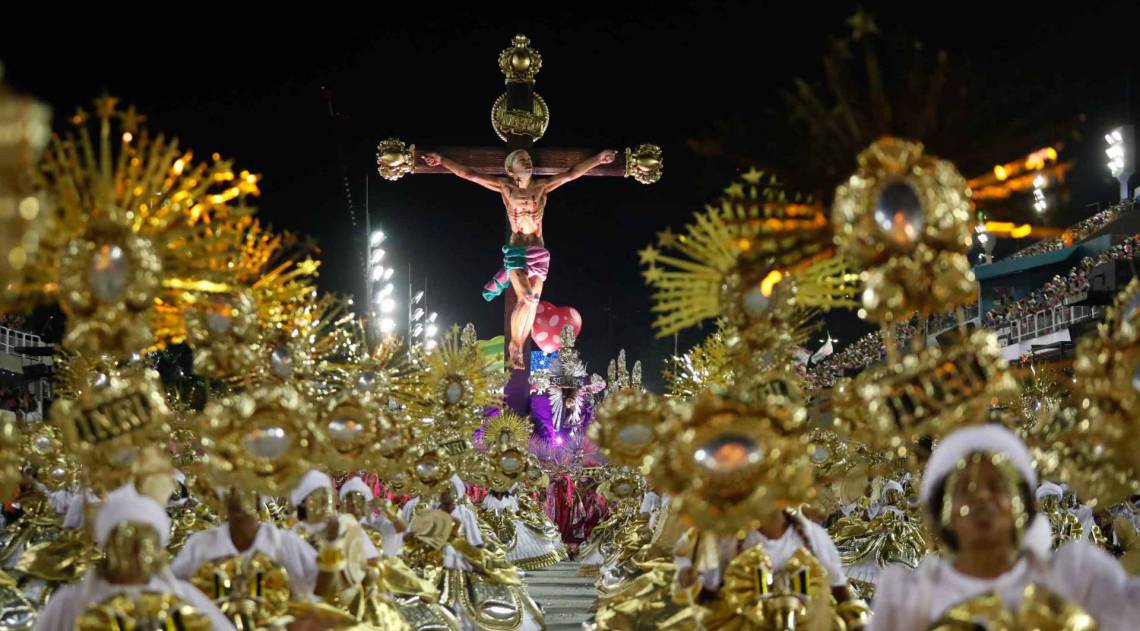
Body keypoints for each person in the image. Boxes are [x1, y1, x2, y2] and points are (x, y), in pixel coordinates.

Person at [870, 425, 1136, 630]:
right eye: (964, 489)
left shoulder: (1076, 575)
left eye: (996, 486)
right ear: (943, 512)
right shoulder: (909, 598)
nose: (981, 498)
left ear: (1025, 505)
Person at [422, 148, 617, 368]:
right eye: (521, 159)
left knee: (532, 304)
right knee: (526, 297)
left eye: (528, 158)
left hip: (538, 252)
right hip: (517, 251)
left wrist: (598, 159)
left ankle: (519, 347)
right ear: (510, 169)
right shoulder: (505, 188)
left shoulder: (541, 187)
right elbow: (470, 174)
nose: (527, 161)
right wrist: (442, 160)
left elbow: (572, 173)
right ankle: (515, 346)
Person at [33, 487, 233, 630]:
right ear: (109, 544)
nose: (136, 550)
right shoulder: (71, 603)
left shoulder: (184, 597)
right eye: (126, 539)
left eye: (145, 540)